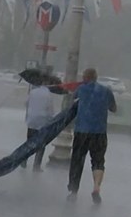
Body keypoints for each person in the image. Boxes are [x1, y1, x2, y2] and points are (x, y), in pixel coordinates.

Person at [68, 67, 117, 203]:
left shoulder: (81, 89)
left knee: (77, 160)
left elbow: (72, 101)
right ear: (96, 77)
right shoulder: (106, 91)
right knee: (98, 161)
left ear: (85, 78)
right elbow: (113, 108)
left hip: (82, 130)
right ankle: (96, 187)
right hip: (99, 132)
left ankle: (73, 191)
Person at [23, 74, 58, 171]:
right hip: (42, 122)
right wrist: (52, 120)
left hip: (31, 120)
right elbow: (50, 110)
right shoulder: (48, 95)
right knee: (41, 144)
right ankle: (36, 165)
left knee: (29, 142)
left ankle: (23, 160)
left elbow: (26, 103)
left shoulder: (33, 92)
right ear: (48, 83)